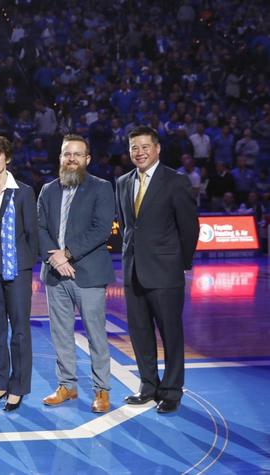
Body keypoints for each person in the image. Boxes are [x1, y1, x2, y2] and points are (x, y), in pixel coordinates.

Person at [115, 126, 199, 414]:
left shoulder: (176, 182)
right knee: (139, 333)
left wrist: (179, 263)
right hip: (133, 271)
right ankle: (148, 385)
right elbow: (128, 227)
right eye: (134, 148)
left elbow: (189, 228)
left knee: (171, 334)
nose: (139, 152)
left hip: (165, 272)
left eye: (145, 146)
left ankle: (172, 390)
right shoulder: (123, 182)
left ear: (157, 148)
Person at [37, 134, 115, 413]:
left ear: (87, 159)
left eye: (77, 154)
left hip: (88, 273)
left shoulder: (101, 188)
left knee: (95, 334)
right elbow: (40, 228)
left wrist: (66, 254)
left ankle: (102, 390)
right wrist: (56, 260)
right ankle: (67, 385)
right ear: (60, 157)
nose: (71, 159)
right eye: (66, 154)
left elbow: (101, 229)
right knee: (60, 333)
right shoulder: (48, 190)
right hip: (55, 275)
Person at [0, 135, 38, 412]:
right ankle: (0, 384)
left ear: (7, 157)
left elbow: (32, 234)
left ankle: (18, 387)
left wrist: (23, 264)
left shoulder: (23, 191)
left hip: (18, 271)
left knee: (20, 331)